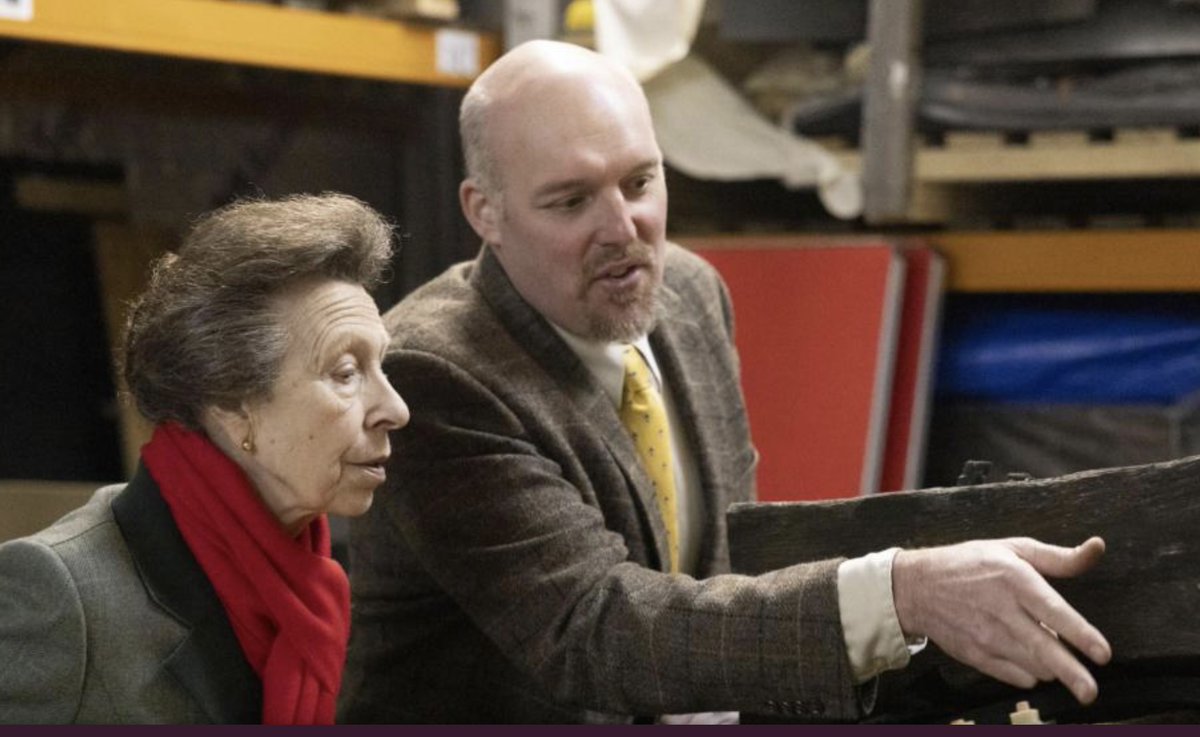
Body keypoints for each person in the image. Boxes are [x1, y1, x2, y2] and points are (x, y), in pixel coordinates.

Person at [339, 41, 1111, 724]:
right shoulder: (435, 374)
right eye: (571, 201)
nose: (623, 228)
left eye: (639, 182)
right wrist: (899, 593)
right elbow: (596, 627)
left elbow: (731, 564)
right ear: (486, 212)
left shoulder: (689, 296)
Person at [0, 193, 409, 724]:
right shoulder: (61, 593)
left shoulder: (315, 600)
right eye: (346, 372)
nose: (395, 408)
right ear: (231, 402)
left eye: (383, 366)